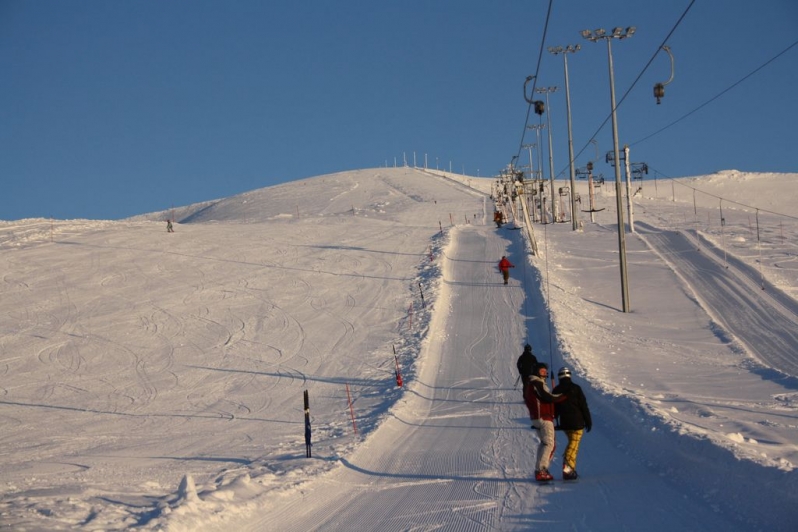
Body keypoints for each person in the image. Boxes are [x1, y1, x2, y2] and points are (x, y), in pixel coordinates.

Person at [524, 362, 566, 481]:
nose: (545, 374)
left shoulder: (533, 383)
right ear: (536, 371)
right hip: (543, 417)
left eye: (545, 372)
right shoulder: (536, 383)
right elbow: (547, 397)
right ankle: (542, 470)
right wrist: (562, 397)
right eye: (542, 371)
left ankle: (539, 469)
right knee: (550, 444)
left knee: (544, 443)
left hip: (539, 417)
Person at [553, 367, 592, 480]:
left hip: (565, 423)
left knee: (573, 444)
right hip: (577, 422)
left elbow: (554, 408)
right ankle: (568, 468)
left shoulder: (556, 389)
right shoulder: (576, 388)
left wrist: (553, 419)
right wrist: (588, 420)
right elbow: (583, 406)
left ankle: (570, 468)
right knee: (573, 445)